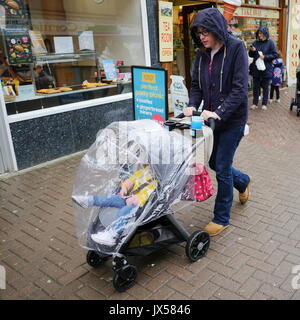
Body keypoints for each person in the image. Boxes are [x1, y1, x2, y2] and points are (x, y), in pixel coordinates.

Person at [183, 8, 251, 236]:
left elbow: (240, 89)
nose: (202, 37)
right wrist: (193, 104)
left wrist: (218, 112)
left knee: (221, 166)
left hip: (232, 119)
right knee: (213, 163)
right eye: (199, 33)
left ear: (216, 29)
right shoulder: (202, 54)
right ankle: (243, 181)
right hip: (210, 121)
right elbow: (196, 86)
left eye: (206, 32)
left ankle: (221, 217)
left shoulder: (236, 48)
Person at [72, 165, 158, 246]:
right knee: (109, 198)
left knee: (124, 212)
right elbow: (130, 181)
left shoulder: (160, 183)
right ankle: (88, 200)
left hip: (140, 207)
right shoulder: (145, 171)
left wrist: (136, 201)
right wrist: (124, 188)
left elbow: (153, 199)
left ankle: (112, 235)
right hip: (127, 198)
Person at [249, 26, 278, 110]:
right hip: (256, 68)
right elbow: (251, 55)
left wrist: (265, 57)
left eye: (261, 33)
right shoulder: (255, 42)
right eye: (258, 33)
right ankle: (255, 103)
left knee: (265, 87)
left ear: (265, 34)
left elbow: (275, 54)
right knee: (256, 87)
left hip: (266, 68)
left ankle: (264, 104)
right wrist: (252, 51)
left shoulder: (271, 43)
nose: (259, 35)